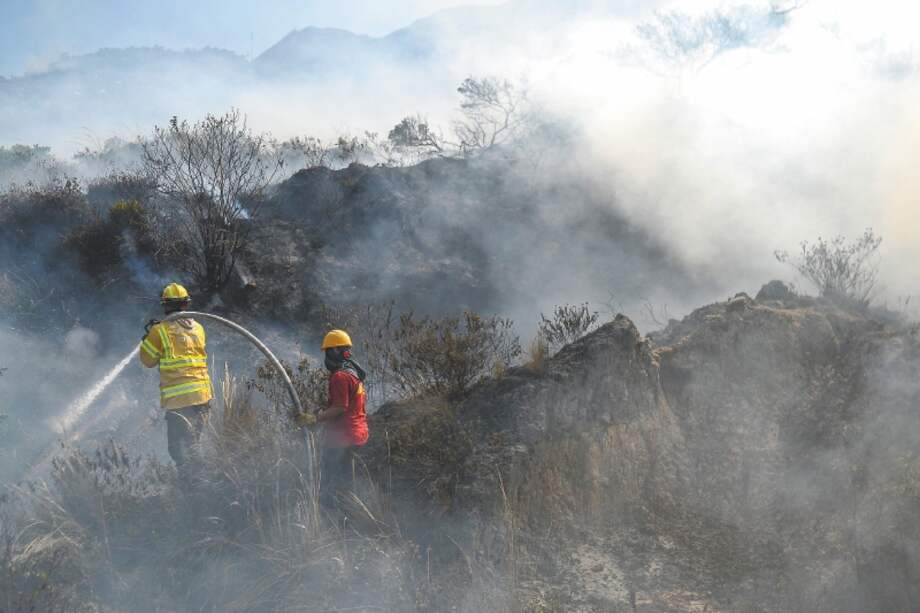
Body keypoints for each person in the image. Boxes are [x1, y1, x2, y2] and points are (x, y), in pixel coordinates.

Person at [139, 283, 212, 475]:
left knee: (179, 449)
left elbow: (147, 360)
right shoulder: (198, 328)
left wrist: (147, 339)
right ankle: (201, 482)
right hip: (202, 398)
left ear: (165, 306)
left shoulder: (159, 331)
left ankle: (195, 486)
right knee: (193, 443)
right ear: (186, 305)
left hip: (181, 402)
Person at [308, 329, 369, 501]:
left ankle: (338, 518)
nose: (326, 357)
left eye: (328, 351)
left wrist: (316, 418)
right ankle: (350, 512)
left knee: (334, 484)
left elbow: (341, 407)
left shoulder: (340, 376)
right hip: (358, 433)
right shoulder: (352, 373)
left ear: (335, 352)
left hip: (344, 438)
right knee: (347, 481)